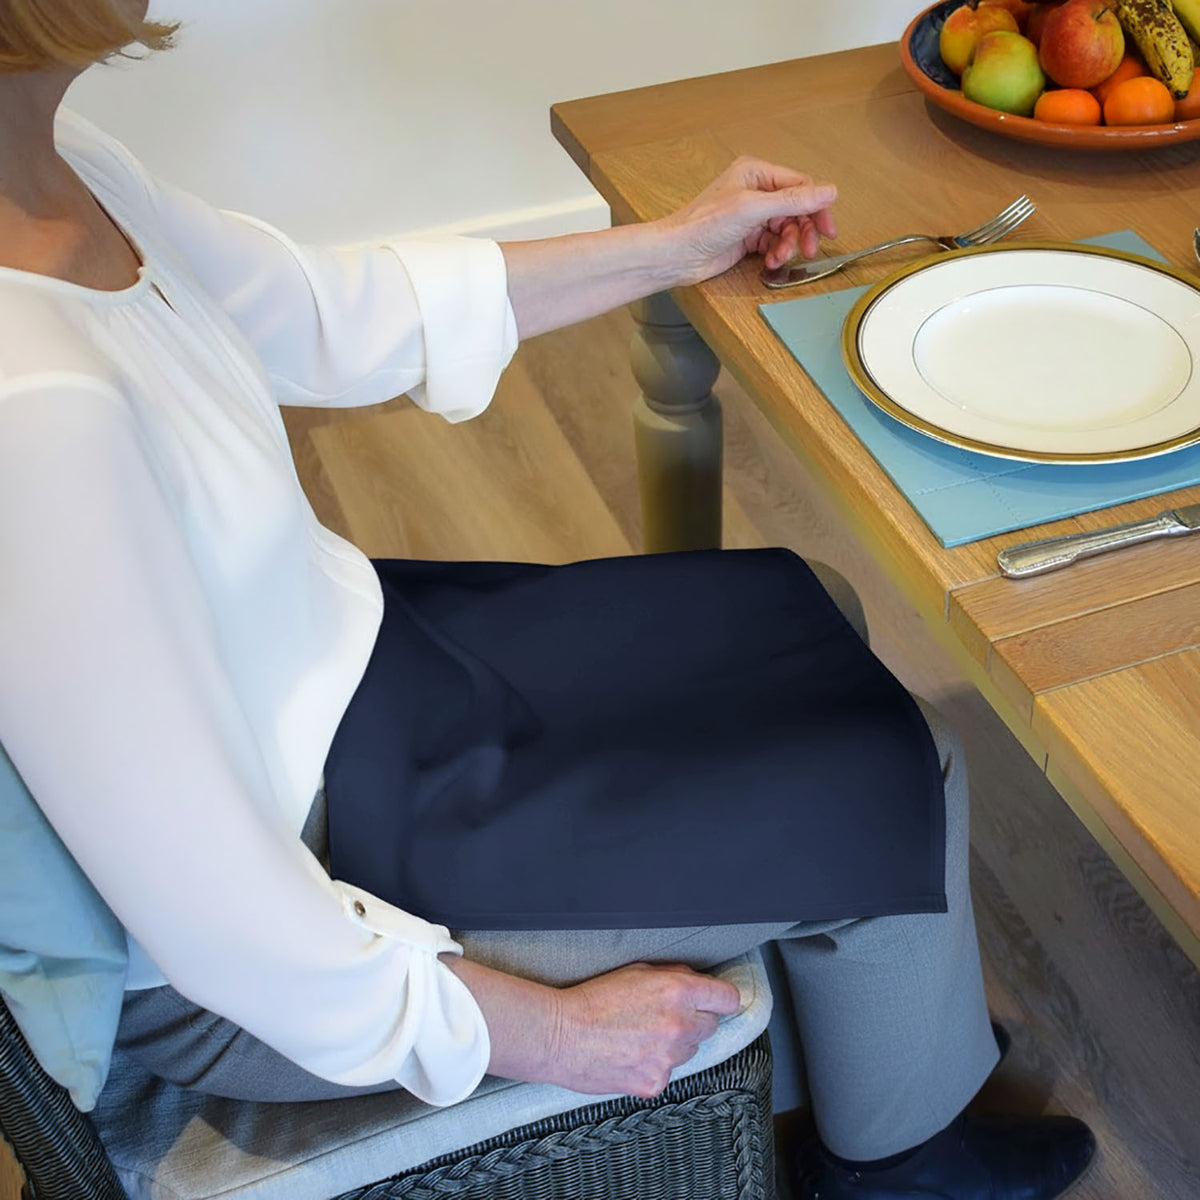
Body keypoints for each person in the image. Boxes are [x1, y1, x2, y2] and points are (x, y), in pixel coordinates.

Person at [0, 4, 1096, 1198]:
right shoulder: (31, 405)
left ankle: (838, 1081)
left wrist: (675, 244)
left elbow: (324, 313)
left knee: (808, 611)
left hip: (358, 684)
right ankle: (904, 1171)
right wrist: (545, 1034)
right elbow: (222, 922)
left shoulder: (61, 162)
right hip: (310, 897)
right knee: (898, 761)